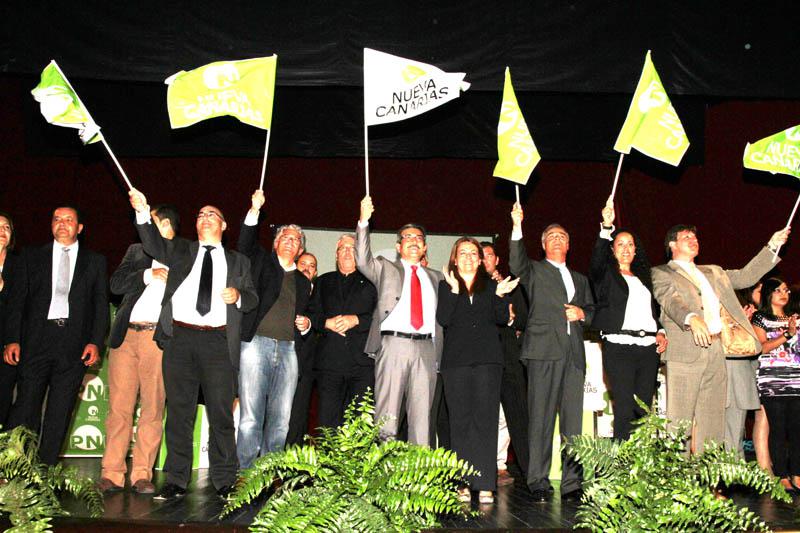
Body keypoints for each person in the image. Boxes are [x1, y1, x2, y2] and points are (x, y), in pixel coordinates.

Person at [128, 189, 258, 501]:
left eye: (212, 214)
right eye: (200, 215)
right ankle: (176, 480)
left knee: (221, 415)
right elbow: (152, 243)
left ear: (225, 226)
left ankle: (225, 480)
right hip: (181, 340)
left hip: (217, 342)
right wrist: (143, 212)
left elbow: (252, 298)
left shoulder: (238, 261)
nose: (205, 218)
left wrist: (238, 297)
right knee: (180, 414)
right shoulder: (181, 251)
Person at [651, 224, 788, 454]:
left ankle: (708, 482)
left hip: (717, 349)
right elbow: (670, 300)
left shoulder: (713, 272)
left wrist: (772, 246)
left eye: (695, 236)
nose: (693, 239)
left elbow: (747, 276)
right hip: (686, 351)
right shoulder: (661, 273)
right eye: (686, 236)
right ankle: (679, 483)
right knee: (680, 421)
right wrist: (691, 317)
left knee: (712, 420)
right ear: (672, 245)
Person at [3, 206, 109, 465]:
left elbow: (100, 305)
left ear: (79, 228)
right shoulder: (31, 257)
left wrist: (95, 342)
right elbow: (17, 303)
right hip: (35, 341)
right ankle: (18, 467)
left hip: (73, 345)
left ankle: (46, 469)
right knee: (26, 407)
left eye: (69, 220)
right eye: (57, 219)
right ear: (51, 225)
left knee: (59, 412)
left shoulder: (94, 261)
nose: (63, 224)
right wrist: (12, 339)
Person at [508, 203, 595, 503]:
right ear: (543, 244)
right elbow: (516, 265)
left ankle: (573, 482)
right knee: (541, 419)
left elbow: (594, 313)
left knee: (573, 423)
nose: (557, 239)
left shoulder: (580, 279)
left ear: (569, 245)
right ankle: (537, 480)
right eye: (551, 236)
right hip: (543, 352)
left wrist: (582, 313)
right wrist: (517, 226)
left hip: (573, 356)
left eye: (562, 236)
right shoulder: (534, 271)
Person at [98, 204, 180, 494]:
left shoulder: (183, 256)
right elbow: (115, 284)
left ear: (167, 226)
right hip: (125, 337)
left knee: (152, 408)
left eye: (152, 223)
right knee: (119, 408)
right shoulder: (136, 252)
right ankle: (112, 472)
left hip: (156, 340)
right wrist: (146, 275)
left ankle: (142, 474)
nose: (143, 230)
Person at [355, 195, 444, 445]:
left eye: (419, 239)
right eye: (407, 238)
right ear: (398, 246)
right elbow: (362, 259)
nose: (414, 242)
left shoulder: (439, 278)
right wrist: (364, 220)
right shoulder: (385, 268)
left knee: (422, 420)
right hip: (393, 346)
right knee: (387, 418)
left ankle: (418, 478)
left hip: (427, 349)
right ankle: (385, 477)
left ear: (425, 247)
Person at [438, 237, 518, 504]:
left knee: (485, 422)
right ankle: (462, 481)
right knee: (460, 423)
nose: (469, 257)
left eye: (474, 253)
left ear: (481, 260)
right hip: (456, 364)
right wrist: (452, 291)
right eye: (464, 253)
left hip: (488, 362)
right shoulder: (445, 285)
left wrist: (500, 296)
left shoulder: (491, 286)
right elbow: (444, 319)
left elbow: (499, 319)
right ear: (454, 258)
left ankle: (485, 483)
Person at [237, 189, 312, 466]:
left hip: (289, 349)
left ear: (301, 249)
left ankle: (268, 474)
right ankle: (245, 474)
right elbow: (245, 244)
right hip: (256, 344)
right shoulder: (261, 262)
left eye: (296, 240)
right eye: (286, 237)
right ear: (276, 242)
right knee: (250, 417)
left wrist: (306, 324)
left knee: (281, 420)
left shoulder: (305, 283)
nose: (291, 242)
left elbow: (307, 316)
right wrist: (254, 210)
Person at [589, 204, 667, 440]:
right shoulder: (606, 276)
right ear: (612, 250)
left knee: (643, 410)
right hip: (619, 347)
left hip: (648, 349)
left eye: (630, 244)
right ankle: (621, 470)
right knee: (623, 409)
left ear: (636, 251)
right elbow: (596, 263)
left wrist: (661, 332)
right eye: (620, 244)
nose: (626, 248)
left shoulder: (644, 278)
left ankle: (640, 469)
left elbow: (654, 312)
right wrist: (606, 227)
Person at [310, 234, 377, 429]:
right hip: (329, 364)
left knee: (360, 425)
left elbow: (382, 318)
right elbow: (310, 315)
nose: (348, 252)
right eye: (343, 248)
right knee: (327, 425)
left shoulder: (374, 283)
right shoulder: (322, 281)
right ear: (336, 254)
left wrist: (356, 319)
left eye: (352, 248)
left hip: (362, 365)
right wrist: (326, 323)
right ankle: (327, 461)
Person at [481, 241, 529, 485]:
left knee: (511, 414)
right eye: (481, 256)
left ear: (497, 259)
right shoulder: (474, 285)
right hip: (483, 355)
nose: (486, 259)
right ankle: (483, 465)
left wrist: (512, 320)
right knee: (486, 413)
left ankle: (504, 465)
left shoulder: (512, 284)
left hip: (509, 354)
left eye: (489, 255)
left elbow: (524, 317)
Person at [752, 278, 800, 493]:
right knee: (778, 429)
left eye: (786, 289)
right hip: (772, 381)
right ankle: (781, 475)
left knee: (796, 429)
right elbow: (761, 348)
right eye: (778, 290)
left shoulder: (795, 318)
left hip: (796, 379)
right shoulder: (761, 318)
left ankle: (797, 473)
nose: (783, 293)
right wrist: (787, 335)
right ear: (768, 294)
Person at [286, 252, 319, 446]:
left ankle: (293, 465)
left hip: (307, 364)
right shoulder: (285, 289)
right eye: (303, 264)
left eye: (312, 265)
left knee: (299, 414)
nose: (307, 268)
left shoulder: (319, 293)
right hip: (280, 356)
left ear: (315, 272)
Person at [0, 211, 19, 428]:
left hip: (7, 341)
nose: (2, 232)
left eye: (6, 227)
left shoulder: (20, 263)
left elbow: (18, 303)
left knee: (4, 397)